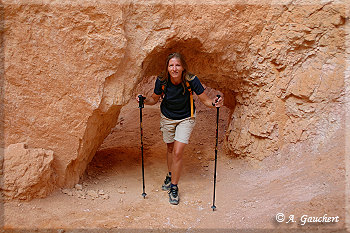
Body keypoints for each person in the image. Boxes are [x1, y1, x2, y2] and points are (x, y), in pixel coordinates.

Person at [137, 52, 223, 205]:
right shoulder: (162, 80)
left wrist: (214, 103)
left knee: (177, 151)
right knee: (170, 149)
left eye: (177, 65)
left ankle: (174, 187)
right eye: (171, 65)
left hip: (186, 118)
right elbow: (154, 99)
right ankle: (170, 175)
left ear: (183, 67)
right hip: (167, 117)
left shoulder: (191, 80)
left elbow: (204, 99)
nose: (174, 68)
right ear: (167, 67)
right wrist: (144, 100)